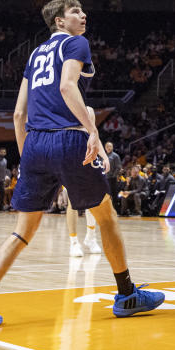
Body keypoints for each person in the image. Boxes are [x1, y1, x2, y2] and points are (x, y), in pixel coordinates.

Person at [0, 0, 163, 331]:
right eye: (75, 12)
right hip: (68, 139)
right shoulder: (75, 43)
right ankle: (127, 295)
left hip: (36, 143)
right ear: (59, 21)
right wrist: (92, 131)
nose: (83, 16)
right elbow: (67, 86)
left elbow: (18, 114)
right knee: (106, 215)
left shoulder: (35, 54)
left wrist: (28, 158)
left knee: (22, 231)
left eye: (82, 12)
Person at [67, 108, 102, 257]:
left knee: (93, 200)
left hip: (87, 157)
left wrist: (104, 157)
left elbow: (94, 135)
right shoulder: (60, 107)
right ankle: (73, 242)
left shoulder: (89, 110)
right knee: (72, 201)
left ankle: (90, 237)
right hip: (68, 157)